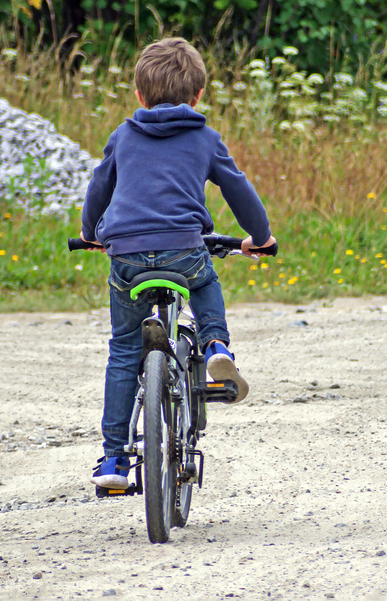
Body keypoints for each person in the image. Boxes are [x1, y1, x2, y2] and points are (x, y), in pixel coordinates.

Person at [80, 37, 276, 490]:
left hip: (126, 254)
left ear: (139, 94)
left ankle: (114, 461)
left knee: (124, 348)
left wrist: (91, 233)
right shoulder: (205, 138)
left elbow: (98, 188)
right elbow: (238, 190)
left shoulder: (123, 135)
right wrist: (261, 237)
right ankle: (217, 346)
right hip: (184, 249)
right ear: (199, 95)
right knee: (204, 281)